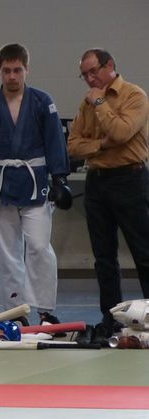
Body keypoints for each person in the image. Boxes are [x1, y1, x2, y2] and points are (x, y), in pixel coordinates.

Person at [0, 43, 71, 326]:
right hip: (1, 183)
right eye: (6, 71)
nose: (12, 76)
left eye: (17, 70)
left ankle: (45, 310)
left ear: (27, 70)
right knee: (7, 253)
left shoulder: (42, 102)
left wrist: (60, 178)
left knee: (39, 246)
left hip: (35, 181)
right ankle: (15, 311)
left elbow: (55, 141)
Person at [67, 48, 149, 338]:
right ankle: (111, 317)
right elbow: (74, 145)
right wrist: (101, 145)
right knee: (103, 257)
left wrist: (100, 102)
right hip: (97, 183)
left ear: (110, 65)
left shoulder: (134, 96)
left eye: (93, 71)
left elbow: (123, 132)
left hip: (130, 179)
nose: (90, 79)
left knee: (144, 252)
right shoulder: (85, 103)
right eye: (84, 75)